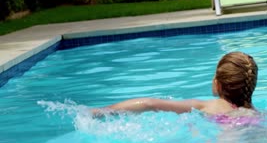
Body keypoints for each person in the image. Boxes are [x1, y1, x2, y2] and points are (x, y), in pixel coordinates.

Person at [92, 52, 258, 124]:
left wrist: (100, 111)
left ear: (217, 84)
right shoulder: (257, 115)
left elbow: (149, 104)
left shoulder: (207, 106)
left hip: (223, 137)